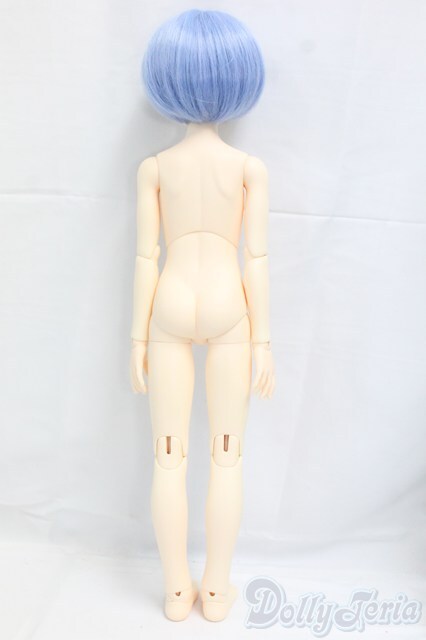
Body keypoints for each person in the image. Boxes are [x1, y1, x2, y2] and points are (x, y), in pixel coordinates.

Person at [130, 9, 275, 622]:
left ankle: (174, 590)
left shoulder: (155, 168)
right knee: (226, 450)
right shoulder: (247, 168)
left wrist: (136, 338)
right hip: (227, 307)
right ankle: (215, 590)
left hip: (167, 305)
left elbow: (146, 256)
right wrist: (264, 341)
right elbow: (256, 258)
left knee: (168, 452)